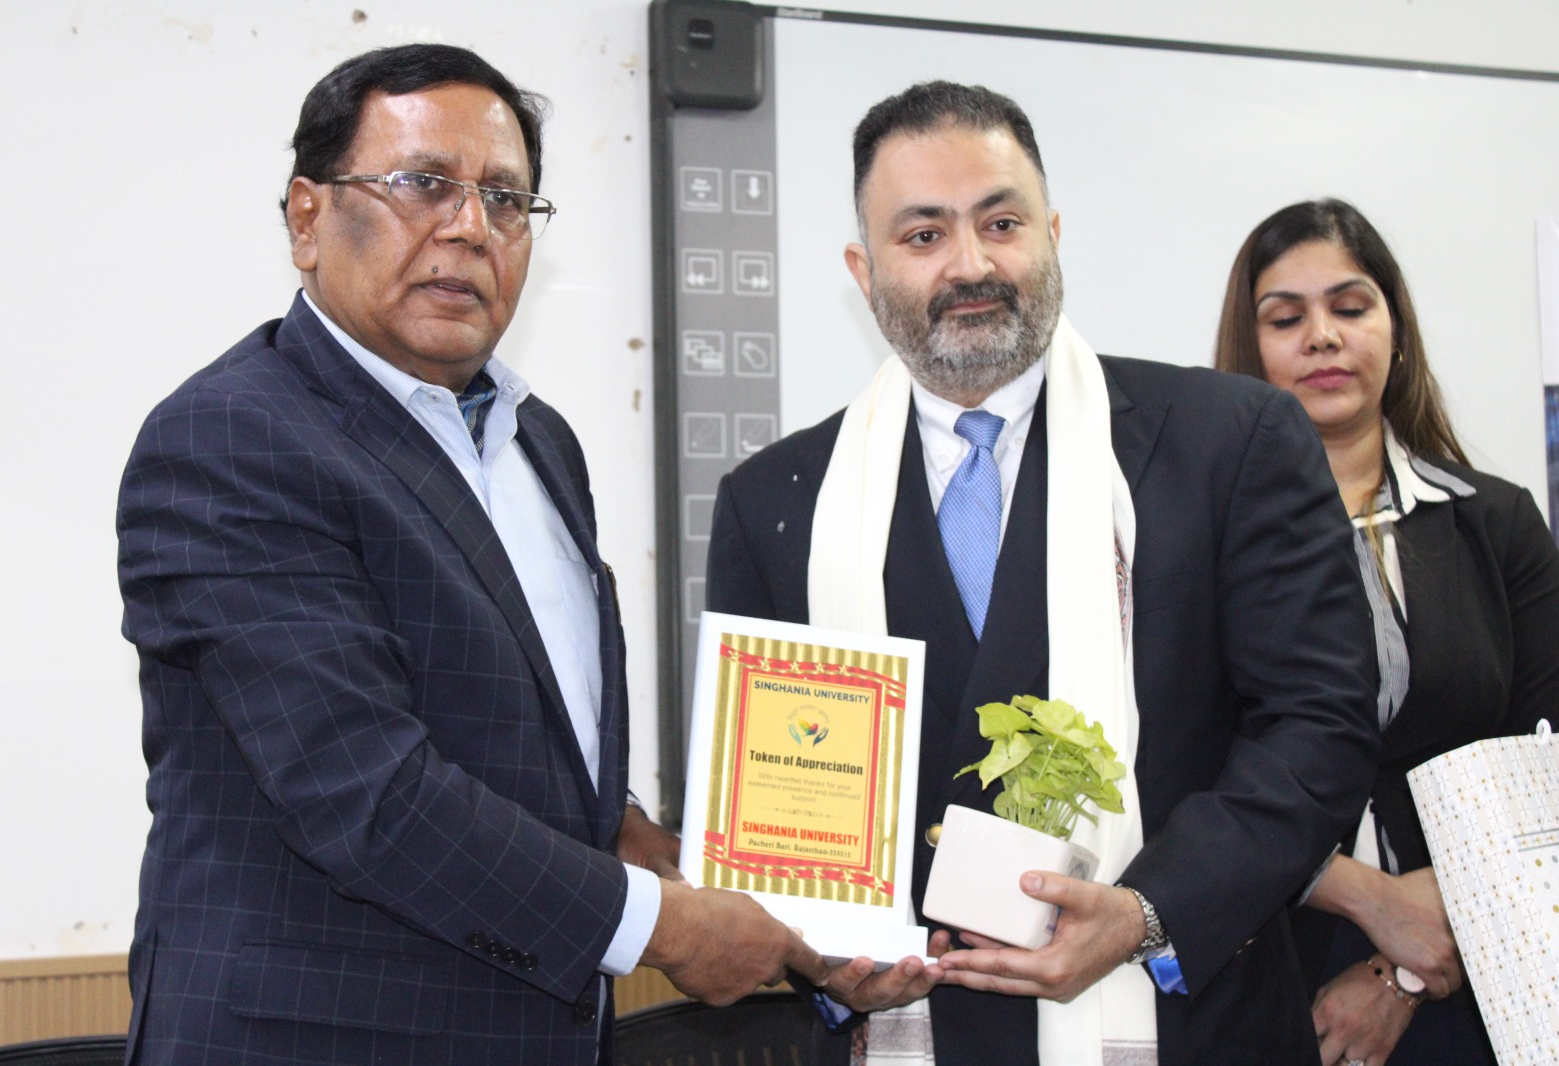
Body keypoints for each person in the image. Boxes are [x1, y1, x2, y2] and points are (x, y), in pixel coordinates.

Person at [116, 43, 825, 1065]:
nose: (468, 226)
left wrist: (633, 836)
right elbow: (365, 793)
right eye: (422, 184)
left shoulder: (541, 443)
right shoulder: (233, 438)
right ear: (307, 219)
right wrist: (661, 925)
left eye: (505, 198)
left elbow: (515, 729)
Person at [704, 81, 1378, 1065]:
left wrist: (1148, 911)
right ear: (863, 269)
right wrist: (823, 957)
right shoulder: (776, 502)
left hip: (1185, 1025)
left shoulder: (1228, 442)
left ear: (1052, 234)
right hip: (913, 1032)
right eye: (923, 234)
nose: (971, 264)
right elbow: (774, 812)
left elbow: (1320, 728)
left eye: (1002, 222)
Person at [1215, 198, 1559, 1066]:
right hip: (1260, 956)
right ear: (1249, 349)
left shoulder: (1498, 524)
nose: (1323, 337)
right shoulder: (1191, 539)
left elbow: (1542, 772)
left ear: (1396, 331)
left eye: (1351, 307)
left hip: (1473, 961)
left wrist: (1401, 972)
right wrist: (1362, 895)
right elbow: (1181, 759)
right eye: (1286, 319)